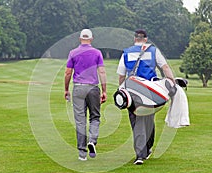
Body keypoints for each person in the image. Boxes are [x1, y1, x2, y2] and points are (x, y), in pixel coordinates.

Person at [116, 29, 175, 165]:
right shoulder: (153, 51)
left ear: (135, 38)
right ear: (146, 39)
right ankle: (147, 148)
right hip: (150, 91)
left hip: (132, 91)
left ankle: (140, 154)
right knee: (148, 119)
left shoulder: (126, 53)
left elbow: (121, 75)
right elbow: (164, 67)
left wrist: (122, 90)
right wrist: (171, 81)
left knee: (136, 121)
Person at [64, 29, 107, 161]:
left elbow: (67, 73)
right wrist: (104, 90)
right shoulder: (97, 53)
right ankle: (92, 141)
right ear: (91, 38)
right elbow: (102, 72)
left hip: (78, 88)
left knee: (80, 120)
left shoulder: (73, 53)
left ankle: (82, 153)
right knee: (95, 117)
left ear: (80, 38)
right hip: (93, 88)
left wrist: (66, 89)